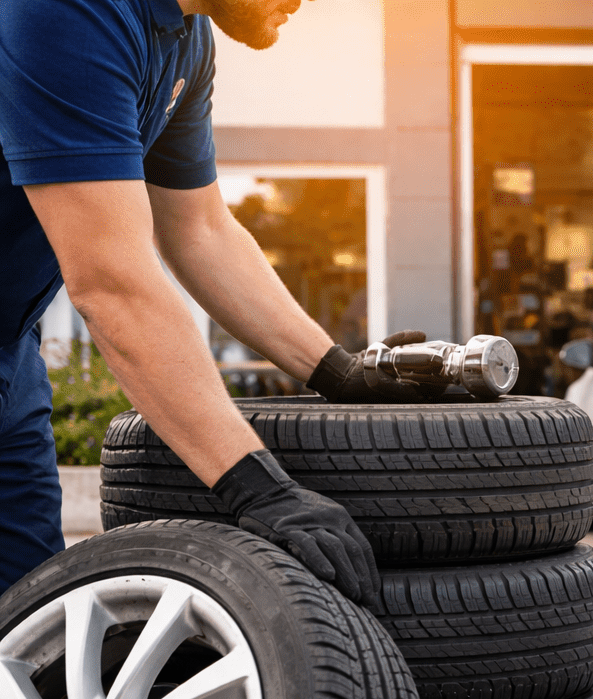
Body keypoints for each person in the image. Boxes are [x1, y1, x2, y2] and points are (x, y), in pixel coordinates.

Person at [0, 0, 436, 604]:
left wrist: (339, 371)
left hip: (9, 359)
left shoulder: (186, 40)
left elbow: (200, 232)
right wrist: (258, 490)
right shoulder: (65, 11)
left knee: (23, 618)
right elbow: (111, 285)